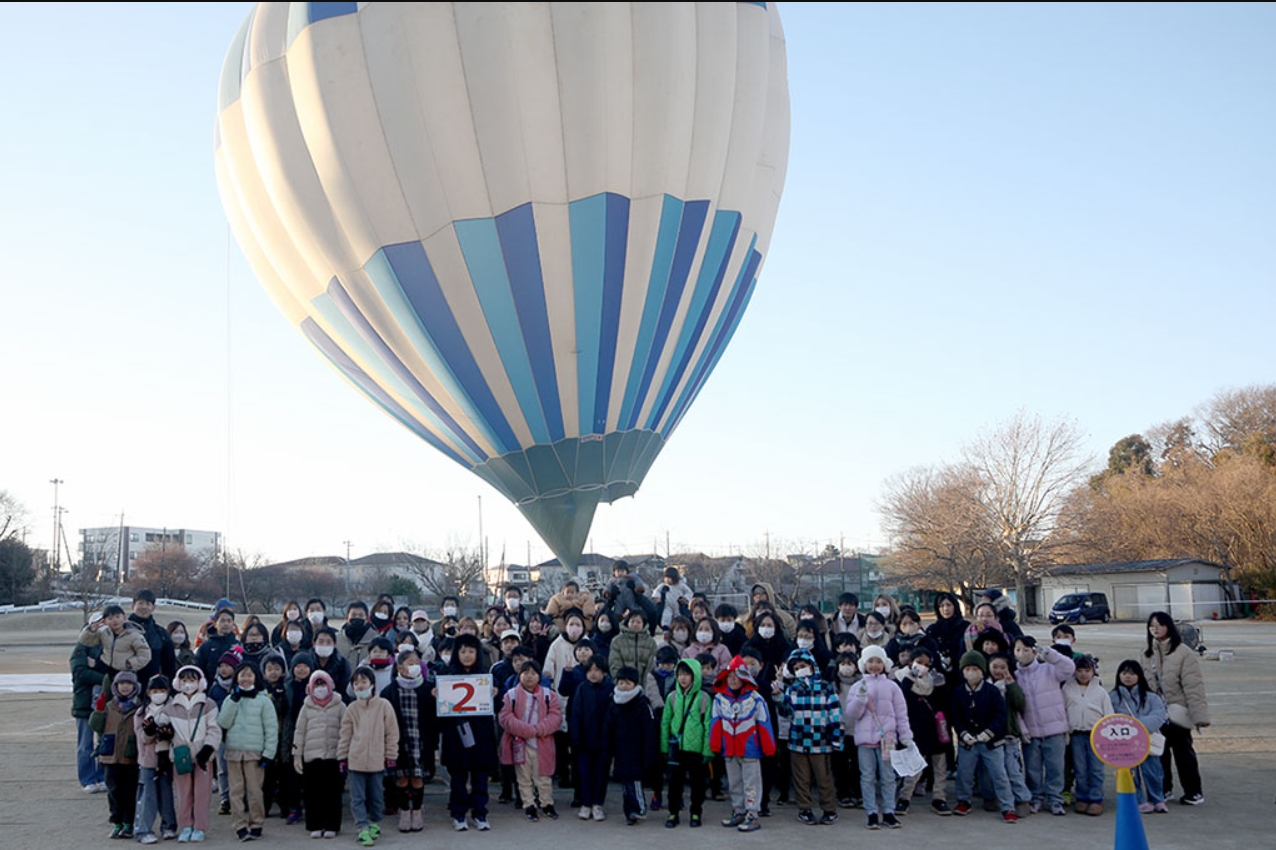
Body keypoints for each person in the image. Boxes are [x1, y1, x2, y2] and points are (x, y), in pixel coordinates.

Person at [1145, 612, 1209, 806]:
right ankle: (1164, 790)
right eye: (1152, 626)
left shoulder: (1183, 653)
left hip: (1177, 712)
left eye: (1160, 625)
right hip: (1156, 714)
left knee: (1183, 754)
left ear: (1169, 627)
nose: (1156, 629)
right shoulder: (1146, 654)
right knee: (1159, 753)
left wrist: (1199, 716)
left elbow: (1193, 687)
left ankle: (1193, 792)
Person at [847, 645, 912, 830]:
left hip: (887, 738)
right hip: (864, 740)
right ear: (863, 664)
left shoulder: (892, 687)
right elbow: (852, 714)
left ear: (885, 663)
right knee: (867, 777)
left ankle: (889, 812)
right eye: (870, 661)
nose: (874, 665)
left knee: (888, 777)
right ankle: (871, 812)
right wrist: (860, 699)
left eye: (878, 661)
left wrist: (906, 736)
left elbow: (901, 713)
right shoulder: (857, 686)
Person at [775, 648, 842, 826]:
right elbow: (786, 713)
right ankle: (805, 809)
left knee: (824, 777)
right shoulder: (793, 689)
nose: (800, 669)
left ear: (812, 666)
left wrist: (836, 739)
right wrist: (778, 697)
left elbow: (835, 715)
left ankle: (829, 809)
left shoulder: (827, 687)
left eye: (803, 665)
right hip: (797, 742)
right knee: (801, 778)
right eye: (796, 667)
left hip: (821, 742)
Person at [950, 651, 1017, 823]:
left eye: (975, 668)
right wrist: (963, 734)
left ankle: (1008, 806)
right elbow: (955, 716)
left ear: (982, 671)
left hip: (992, 743)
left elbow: (1000, 715)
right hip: (968, 743)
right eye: (968, 669)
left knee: (999, 775)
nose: (971, 672)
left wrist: (989, 732)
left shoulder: (992, 691)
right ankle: (964, 801)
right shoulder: (958, 692)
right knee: (964, 774)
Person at [710, 656, 776, 832]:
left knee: (751, 784)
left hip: (750, 750)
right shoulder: (719, 699)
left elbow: (764, 723)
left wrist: (768, 747)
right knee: (734, 783)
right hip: (729, 750)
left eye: (736, 676)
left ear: (745, 678)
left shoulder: (756, 699)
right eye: (729, 676)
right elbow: (715, 724)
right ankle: (738, 811)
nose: (732, 680)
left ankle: (752, 814)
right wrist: (715, 745)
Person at [438, 634, 496, 831]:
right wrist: (436, 697)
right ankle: (459, 813)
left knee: (480, 777)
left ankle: (480, 813)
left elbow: (497, 706)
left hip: (481, 734)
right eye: (463, 651)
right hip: (455, 734)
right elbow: (439, 713)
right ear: (457, 653)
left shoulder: (486, 676)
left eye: (471, 651)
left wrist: (495, 694)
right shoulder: (446, 675)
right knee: (458, 778)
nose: (467, 655)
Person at [339, 665, 401, 847]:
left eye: (363, 682)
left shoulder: (383, 706)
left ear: (372, 684)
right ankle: (362, 827)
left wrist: (391, 755)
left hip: (376, 761)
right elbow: (345, 735)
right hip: (356, 761)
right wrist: (342, 758)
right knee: (357, 797)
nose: (360, 686)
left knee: (376, 796)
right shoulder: (351, 708)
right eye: (356, 683)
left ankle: (374, 822)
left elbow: (392, 732)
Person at [217, 660, 279, 841]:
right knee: (235, 791)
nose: (245, 678)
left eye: (249, 675)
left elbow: (271, 728)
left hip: (255, 753)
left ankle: (256, 823)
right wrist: (233, 701)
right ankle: (239, 825)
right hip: (234, 751)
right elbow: (223, 722)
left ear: (256, 677)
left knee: (254, 791)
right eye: (242, 675)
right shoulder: (231, 698)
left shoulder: (263, 700)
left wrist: (269, 753)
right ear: (236, 677)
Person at [1014, 635, 1075, 815]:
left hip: (1054, 729)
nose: (1022, 653)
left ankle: (1055, 799)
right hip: (1031, 732)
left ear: (1034, 651)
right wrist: (1023, 729)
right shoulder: (1015, 677)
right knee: (1032, 768)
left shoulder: (1048, 670)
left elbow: (1069, 667)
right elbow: (1015, 707)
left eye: (1026, 649)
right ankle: (1036, 798)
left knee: (1055, 767)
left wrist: (1049, 653)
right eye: (1018, 650)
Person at [500, 659, 563, 821]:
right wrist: (526, 730)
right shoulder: (511, 695)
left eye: (533, 673)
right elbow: (505, 717)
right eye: (525, 673)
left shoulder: (550, 695)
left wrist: (539, 729)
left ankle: (547, 804)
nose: (529, 677)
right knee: (523, 778)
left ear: (539, 676)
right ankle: (529, 805)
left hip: (543, 743)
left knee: (544, 777)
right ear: (519, 675)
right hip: (519, 743)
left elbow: (556, 717)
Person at [164, 665, 221, 843]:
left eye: (192, 680)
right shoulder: (171, 705)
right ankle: (186, 825)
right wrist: (161, 732)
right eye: (185, 680)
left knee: (202, 794)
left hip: (203, 756)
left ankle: (200, 827)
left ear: (200, 682)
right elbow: (162, 725)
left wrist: (208, 748)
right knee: (183, 793)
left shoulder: (208, 704)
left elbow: (214, 729)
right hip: (181, 756)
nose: (188, 684)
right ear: (178, 682)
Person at [382, 647, 436, 833]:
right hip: (400, 743)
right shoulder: (389, 691)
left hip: (420, 742)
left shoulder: (428, 689)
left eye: (416, 663)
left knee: (418, 778)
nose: (414, 667)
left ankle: (417, 811)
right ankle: (405, 811)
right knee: (402, 778)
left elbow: (434, 719)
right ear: (400, 668)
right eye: (410, 663)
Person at [894, 648, 949, 815]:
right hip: (915, 729)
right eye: (919, 662)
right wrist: (909, 680)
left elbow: (943, 701)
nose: (922, 666)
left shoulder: (936, 680)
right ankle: (904, 798)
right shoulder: (902, 679)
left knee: (940, 766)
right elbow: (902, 702)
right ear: (911, 662)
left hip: (936, 730)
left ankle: (939, 798)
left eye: (927, 663)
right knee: (915, 766)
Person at [1110, 660, 1169, 813]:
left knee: (1153, 771)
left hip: (1147, 740)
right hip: (1124, 743)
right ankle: (1138, 800)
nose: (1127, 677)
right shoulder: (1112, 697)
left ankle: (1158, 799)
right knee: (1130, 773)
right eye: (1124, 673)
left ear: (1139, 676)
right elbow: (1109, 718)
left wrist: (1134, 727)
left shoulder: (1151, 697)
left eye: (1132, 673)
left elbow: (1158, 716)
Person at [293, 670, 346, 838]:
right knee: (313, 793)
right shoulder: (306, 706)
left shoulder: (339, 705)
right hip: (312, 757)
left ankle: (332, 825)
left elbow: (346, 730)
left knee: (332, 794)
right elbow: (299, 731)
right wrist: (297, 754)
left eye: (323, 684)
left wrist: (345, 754)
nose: (320, 688)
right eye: (316, 685)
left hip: (333, 757)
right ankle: (315, 824)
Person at [660, 658, 712, 828]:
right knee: (675, 783)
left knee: (698, 784)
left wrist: (707, 750)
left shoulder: (704, 698)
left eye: (687, 674)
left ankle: (696, 812)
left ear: (695, 676)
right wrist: (664, 746)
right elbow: (665, 722)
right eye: (680, 674)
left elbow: (707, 725)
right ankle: (673, 812)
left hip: (696, 749)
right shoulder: (672, 697)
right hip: (677, 748)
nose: (683, 678)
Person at [91, 669, 143, 839]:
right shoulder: (109, 706)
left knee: (129, 791)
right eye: (121, 684)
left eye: (129, 684)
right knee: (113, 791)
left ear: (135, 686)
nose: (125, 687)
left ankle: (128, 823)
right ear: (116, 686)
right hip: (110, 755)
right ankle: (116, 822)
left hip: (130, 756)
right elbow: (96, 726)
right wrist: (98, 711)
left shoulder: (139, 707)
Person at [606, 665, 658, 825]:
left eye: (628, 683)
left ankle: (639, 809)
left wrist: (649, 752)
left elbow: (649, 729)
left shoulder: (642, 703)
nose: (624, 686)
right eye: (621, 683)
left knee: (635, 781)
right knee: (624, 782)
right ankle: (629, 811)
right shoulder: (614, 702)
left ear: (635, 684)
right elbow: (609, 726)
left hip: (637, 750)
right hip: (621, 750)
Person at [1062, 655, 1112, 816]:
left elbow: (1108, 715)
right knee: (1080, 768)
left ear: (1093, 672)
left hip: (1096, 734)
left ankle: (1096, 799)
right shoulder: (1067, 689)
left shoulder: (1100, 692)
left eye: (1087, 670)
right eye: (1080, 670)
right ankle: (1082, 797)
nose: (1083, 674)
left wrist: (1108, 736)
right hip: (1076, 734)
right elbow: (1063, 711)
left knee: (1096, 769)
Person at [134, 674, 179, 844]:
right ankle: (143, 829)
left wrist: (167, 732)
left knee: (166, 794)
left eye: (162, 690)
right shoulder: (141, 713)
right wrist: (150, 731)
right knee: (148, 796)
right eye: (155, 690)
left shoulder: (174, 708)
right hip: (148, 760)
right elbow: (142, 738)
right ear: (148, 692)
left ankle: (169, 826)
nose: (158, 693)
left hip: (167, 758)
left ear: (168, 691)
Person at [569, 655, 615, 821]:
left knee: (601, 774)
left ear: (604, 672)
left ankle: (598, 804)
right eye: (590, 670)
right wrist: (575, 738)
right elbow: (575, 715)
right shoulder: (582, 688)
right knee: (585, 774)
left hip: (605, 741)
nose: (593, 674)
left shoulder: (611, 689)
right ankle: (586, 803)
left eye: (597, 670)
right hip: (584, 741)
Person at [987, 653, 1032, 817]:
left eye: (1002, 667)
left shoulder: (1010, 685)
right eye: (995, 667)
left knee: (1013, 770)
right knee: (995, 771)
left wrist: (1010, 684)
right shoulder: (986, 685)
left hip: (1009, 735)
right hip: (992, 736)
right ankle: (996, 798)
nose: (998, 670)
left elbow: (1019, 703)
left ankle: (1022, 799)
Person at [71, 622, 107, 793]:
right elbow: (80, 673)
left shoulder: (108, 646)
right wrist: (104, 677)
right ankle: (87, 779)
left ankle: (102, 775)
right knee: (85, 744)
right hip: (84, 703)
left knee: (103, 741)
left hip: (103, 702)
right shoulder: (81, 648)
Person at [259, 653, 294, 820]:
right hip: (265, 738)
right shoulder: (260, 690)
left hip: (283, 736)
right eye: (269, 669)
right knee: (267, 776)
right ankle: (264, 807)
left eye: (277, 669)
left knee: (285, 774)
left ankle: (285, 807)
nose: (273, 672)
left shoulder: (287, 688)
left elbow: (286, 710)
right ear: (263, 672)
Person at [80, 604, 153, 682]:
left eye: (118, 617)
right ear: (104, 621)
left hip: (124, 672)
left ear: (124, 618)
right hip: (105, 668)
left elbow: (145, 654)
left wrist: (131, 664)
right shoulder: (104, 633)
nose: (115, 620)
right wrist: (91, 630)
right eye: (110, 618)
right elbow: (87, 641)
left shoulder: (134, 635)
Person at [831, 649, 863, 808]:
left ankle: (857, 793)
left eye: (849, 664)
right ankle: (842, 793)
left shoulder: (862, 684)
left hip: (858, 730)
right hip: (839, 731)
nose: (846, 667)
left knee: (858, 765)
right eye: (842, 664)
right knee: (840, 765)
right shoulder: (833, 685)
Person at [130, 590, 177, 684]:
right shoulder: (122, 630)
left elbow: (169, 666)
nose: (144, 607)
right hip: (125, 685)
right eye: (140, 603)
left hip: (152, 688)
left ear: (153, 608)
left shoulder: (162, 634)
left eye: (148, 604)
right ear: (133, 606)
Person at [926, 592, 969, 681]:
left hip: (961, 672)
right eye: (941, 606)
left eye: (949, 605)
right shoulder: (932, 629)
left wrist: (953, 659)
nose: (945, 609)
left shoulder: (965, 627)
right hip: (939, 674)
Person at [609, 608, 658, 684]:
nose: (635, 624)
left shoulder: (651, 642)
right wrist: (622, 683)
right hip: (623, 685)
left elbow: (651, 666)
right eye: (632, 621)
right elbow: (615, 664)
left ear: (643, 624)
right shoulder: (617, 641)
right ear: (627, 622)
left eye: (638, 622)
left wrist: (646, 686)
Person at [194, 608, 239, 685]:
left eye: (229, 621)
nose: (226, 624)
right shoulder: (206, 646)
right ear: (215, 624)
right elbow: (198, 668)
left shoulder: (239, 646)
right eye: (222, 621)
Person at [311, 627, 352, 702]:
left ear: (335, 644)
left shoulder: (342, 663)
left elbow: (344, 689)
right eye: (321, 641)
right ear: (314, 643)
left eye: (328, 642)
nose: (324, 645)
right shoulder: (307, 661)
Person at [337, 602, 377, 670]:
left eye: (361, 615)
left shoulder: (376, 640)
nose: (357, 618)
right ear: (347, 618)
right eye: (354, 615)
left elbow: (390, 660)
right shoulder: (336, 638)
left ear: (367, 619)